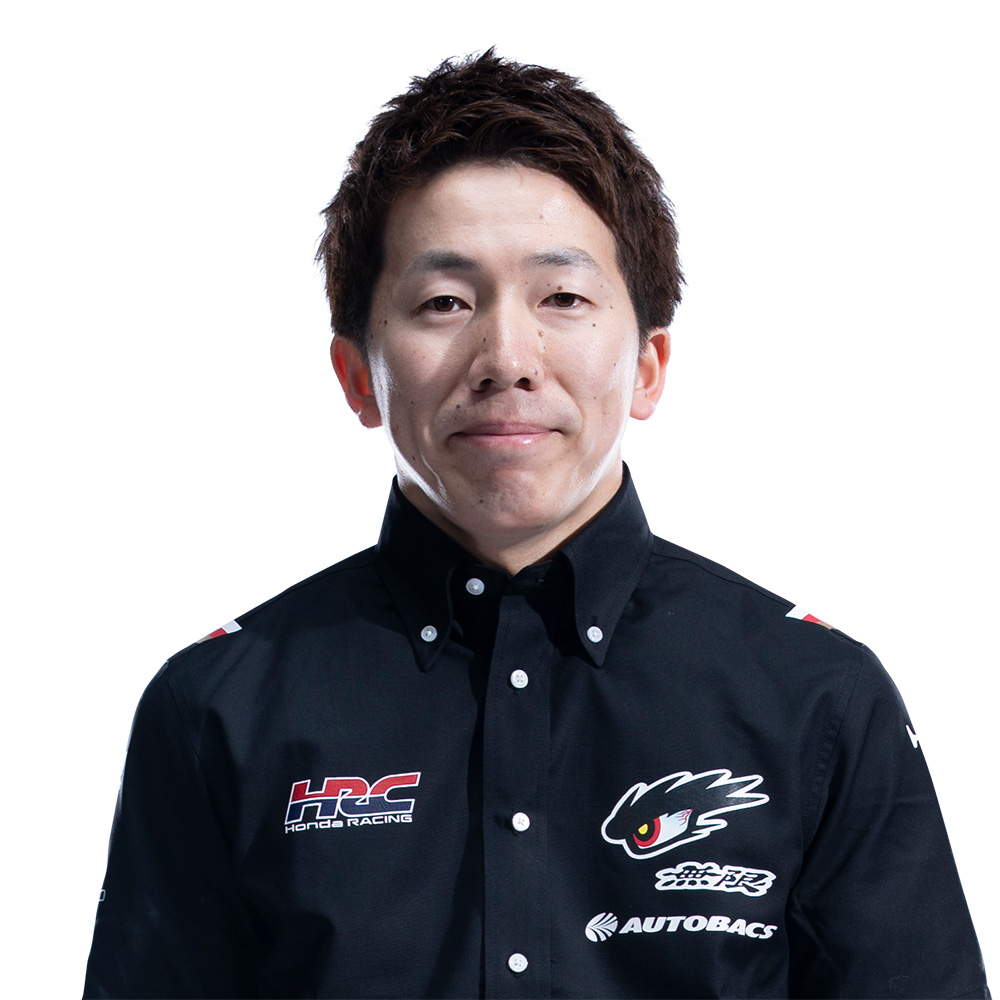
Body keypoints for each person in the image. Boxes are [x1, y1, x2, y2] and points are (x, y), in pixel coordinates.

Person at [83, 51, 990, 999]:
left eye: (562, 298)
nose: (507, 357)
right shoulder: (216, 712)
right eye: (444, 302)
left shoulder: (817, 699)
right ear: (358, 376)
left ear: (648, 366)